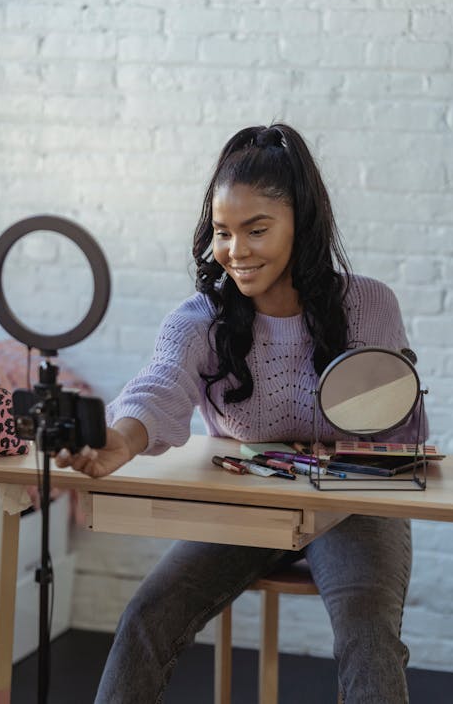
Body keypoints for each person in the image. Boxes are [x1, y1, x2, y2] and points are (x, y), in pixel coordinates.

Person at [57, 123, 424, 703]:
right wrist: (120, 442)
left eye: (257, 230)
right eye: (223, 233)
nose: (237, 251)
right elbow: (159, 388)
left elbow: (400, 425)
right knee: (147, 617)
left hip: (352, 508)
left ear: (301, 225)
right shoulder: (198, 319)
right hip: (248, 503)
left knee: (368, 635)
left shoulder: (369, 304)